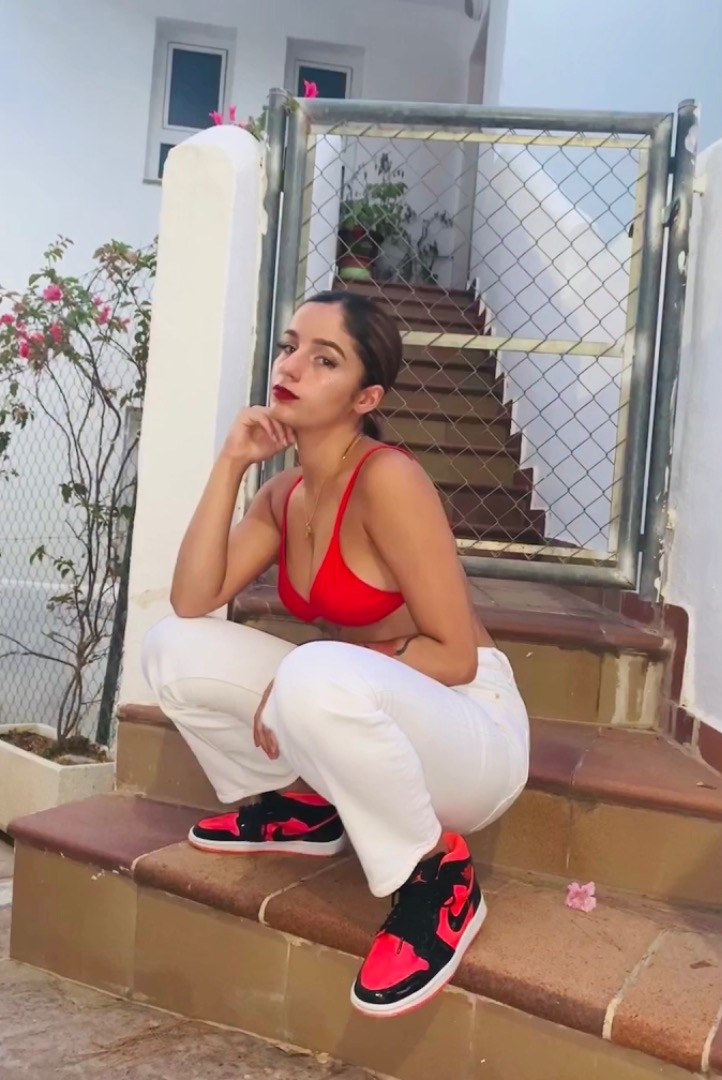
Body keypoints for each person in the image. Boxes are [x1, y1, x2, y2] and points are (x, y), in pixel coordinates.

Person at [142, 290, 530, 1019]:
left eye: (325, 360)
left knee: (314, 673)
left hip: (471, 729)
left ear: (365, 398)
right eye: (291, 347)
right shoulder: (284, 493)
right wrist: (231, 463)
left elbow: (456, 657)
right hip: (364, 700)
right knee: (172, 647)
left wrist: (298, 676)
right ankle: (309, 808)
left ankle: (436, 876)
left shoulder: (389, 479)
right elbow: (193, 599)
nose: (291, 367)